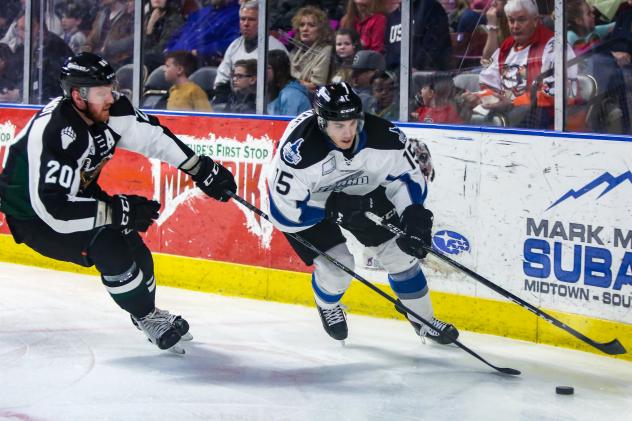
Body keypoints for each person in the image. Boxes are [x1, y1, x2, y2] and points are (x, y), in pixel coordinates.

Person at [0, 52, 237, 352]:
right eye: (102, 93)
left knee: (131, 242)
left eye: (110, 89)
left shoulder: (110, 111)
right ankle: (145, 315)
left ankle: (148, 313)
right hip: (34, 217)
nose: (111, 98)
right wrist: (117, 211)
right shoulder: (54, 132)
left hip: (76, 196)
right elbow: (52, 209)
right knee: (108, 241)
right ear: (78, 96)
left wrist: (200, 168)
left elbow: (153, 138)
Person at [265, 81, 458, 344]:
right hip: (311, 205)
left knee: (401, 257)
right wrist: (332, 208)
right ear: (322, 123)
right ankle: (328, 305)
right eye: (338, 126)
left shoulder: (384, 136)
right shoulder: (299, 153)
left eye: (352, 123)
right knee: (339, 268)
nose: (347, 132)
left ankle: (423, 319)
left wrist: (413, 214)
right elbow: (284, 212)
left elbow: (406, 179)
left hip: (361, 189)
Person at [461, 0, 577, 129]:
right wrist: (479, 97)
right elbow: (489, 81)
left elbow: (557, 93)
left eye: (521, 20)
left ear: (535, 20)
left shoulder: (555, 47)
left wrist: (512, 103)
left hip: (544, 120)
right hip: (508, 112)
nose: (515, 26)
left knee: (524, 113)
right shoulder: (506, 47)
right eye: (511, 20)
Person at [213, 1, 288, 99]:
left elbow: (282, 85)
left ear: (263, 22)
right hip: (236, 103)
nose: (246, 24)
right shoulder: (234, 46)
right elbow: (221, 80)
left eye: (251, 19)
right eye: (243, 19)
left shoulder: (276, 49)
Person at [163, 0, 238, 69]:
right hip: (173, 57)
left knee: (152, 60)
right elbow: (179, 34)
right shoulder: (200, 12)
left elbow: (231, 42)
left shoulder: (236, 15)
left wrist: (200, 52)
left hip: (193, 61)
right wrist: (169, 48)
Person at [289, 6, 334, 91]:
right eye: (302, 25)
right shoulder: (295, 52)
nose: (305, 29)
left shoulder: (326, 50)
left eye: (311, 25)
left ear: (321, 30)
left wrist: (291, 82)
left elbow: (315, 87)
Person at [143, 0, 185, 72]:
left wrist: (150, 25)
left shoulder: (175, 19)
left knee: (144, 58)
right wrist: (150, 24)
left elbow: (161, 49)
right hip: (151, 58)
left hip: (168, 60)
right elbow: (142, 46)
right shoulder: (148, 17)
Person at [267, 49, 311, 116]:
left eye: (268, 68)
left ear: (278, 70)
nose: (263, 72)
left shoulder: (291, 94)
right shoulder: (277, 90)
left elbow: (287, 124)